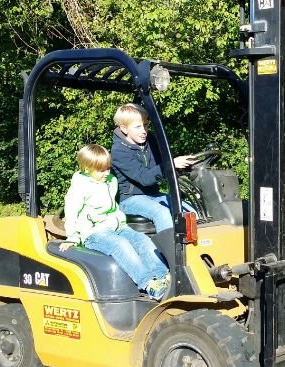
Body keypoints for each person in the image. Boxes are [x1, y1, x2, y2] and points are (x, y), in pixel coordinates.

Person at [59, 144, 169, 301]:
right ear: (86, 169)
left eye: (108, 168)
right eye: (101, 170)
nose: (107, 173)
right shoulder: (79, 187)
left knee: (142, 240)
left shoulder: (111, 181)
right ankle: (149, 284)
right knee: (121, 245)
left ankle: (163, 275)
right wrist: (72, 237)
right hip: (95, 232)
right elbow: (71, 213)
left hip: (117, 227)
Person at [111, 103, 196, 233]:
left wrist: (184, 165)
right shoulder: (119, 151)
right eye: (138, 126)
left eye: (145, 125)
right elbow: (144, 178)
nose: (143, 130)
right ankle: (171, 252)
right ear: (124, 128)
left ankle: (197, 249)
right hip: (131, 199)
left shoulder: (150, 141)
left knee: (190, 209)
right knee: (161, 212)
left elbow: (163, 164)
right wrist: (171, 164)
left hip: (154, 195)